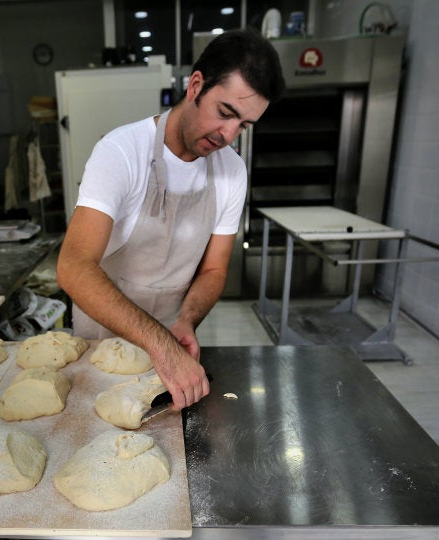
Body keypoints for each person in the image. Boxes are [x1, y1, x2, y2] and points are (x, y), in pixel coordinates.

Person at [56, 28, 285, 410]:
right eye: (225, 113)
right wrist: (158, 343)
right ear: (196, 85)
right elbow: (73, 267)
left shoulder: (232, 172)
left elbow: (213, 270)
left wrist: (186, 322)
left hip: (174, 335)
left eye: (243, 125)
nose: (229, 134)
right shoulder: (121, 152)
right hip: (104, 334)